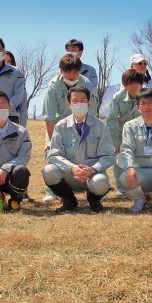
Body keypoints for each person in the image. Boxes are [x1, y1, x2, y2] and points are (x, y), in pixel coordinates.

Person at [42, 86, 115, 213]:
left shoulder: (100, 126)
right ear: (69, 104)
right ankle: (69, 200)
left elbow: (108, 156)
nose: (79, 104)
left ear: (89, 103)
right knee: (49, 171)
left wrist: (93, 169)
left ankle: (94, 200)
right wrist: (72, 168)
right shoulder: (60, 126)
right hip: (69, 174)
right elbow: (53, 155)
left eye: (82, 100)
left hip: (92, 174)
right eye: (75, 101)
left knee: (101, 183)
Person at [42, 53, 97, 202]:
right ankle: (51, 191)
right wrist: (53, 140)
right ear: (61, 70)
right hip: (58, 127)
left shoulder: (86, 83)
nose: (72, 75)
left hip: (81, 124)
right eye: (68, 71)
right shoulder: (53, 85)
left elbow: (91, 112)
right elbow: (49, 116)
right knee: (52, 153)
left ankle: (90, 186)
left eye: (75, 71)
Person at [106, 69, 143, 196]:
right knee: (119, 161)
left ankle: (141, 185)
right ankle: (120, 188)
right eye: (130, 83)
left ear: (141, 84)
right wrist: (116, 142)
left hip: (141, 136)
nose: (134, 86)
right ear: (124, 84)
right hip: (121, 135)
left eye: (137, 83)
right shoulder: (117, 97)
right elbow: (112, 120)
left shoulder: (145, 96)